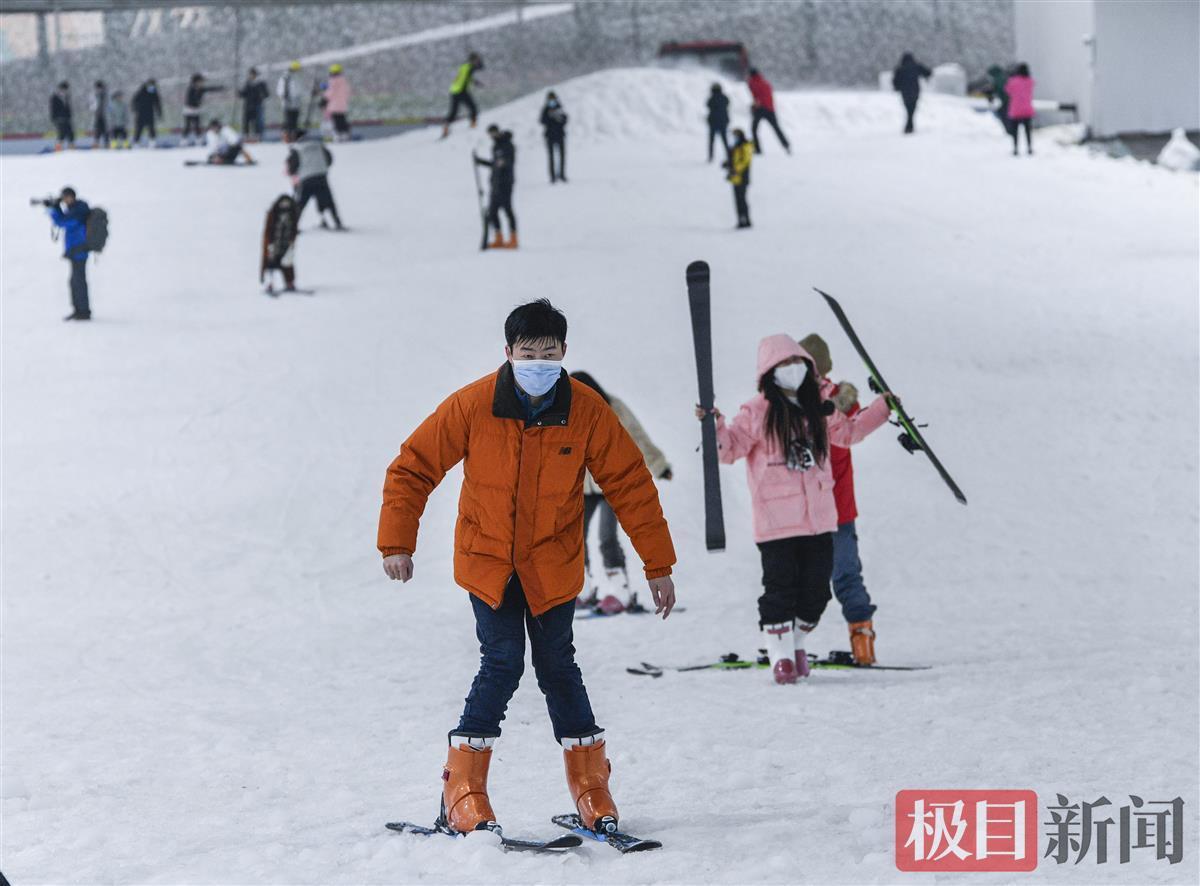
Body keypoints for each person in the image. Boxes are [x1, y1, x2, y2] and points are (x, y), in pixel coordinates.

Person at [377, 298, 677, 837]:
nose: (539, 360)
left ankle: (591, 788)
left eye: (549, 350)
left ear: (564, 351)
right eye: (528, 351)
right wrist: (397, 541)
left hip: (552, 564)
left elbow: (630, 484)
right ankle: (461, 790)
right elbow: (412, 467)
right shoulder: (472, 406)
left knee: (559, 665)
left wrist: (657, 564)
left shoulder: (586, 409)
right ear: (509, 352)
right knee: (504, 661)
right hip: (488, 562)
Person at [703, 334, 893, 684]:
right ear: (769, 372)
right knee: (780, 590)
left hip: (819, 520)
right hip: (776, 523)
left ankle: (796, 643)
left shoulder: (819, 408)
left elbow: (849, 433)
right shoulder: (757, 411)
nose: (792, 370)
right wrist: (713, 425)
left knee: (817, 592)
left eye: (797, 363)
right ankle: (781, 657)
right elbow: (728, 450)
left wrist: (883, 408)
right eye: (784, 365)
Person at [799, 334, 881, 665]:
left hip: (837, 510)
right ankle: (788, 643)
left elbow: (856, 427)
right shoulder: (791, 402)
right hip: (803, 508)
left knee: (845, 573)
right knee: (801, 578)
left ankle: (863, 642)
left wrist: (882, 405)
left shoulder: (839, 402)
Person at [570, 371, 671, 612]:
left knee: (606, 538)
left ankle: (620, 592)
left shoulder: (613, 406)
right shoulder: (568, 411)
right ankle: (581, 590)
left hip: (611, 485)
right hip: (582, 487)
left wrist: (659, 465)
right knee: (575, 538)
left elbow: (636, 435)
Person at [44, 187, 92, 321]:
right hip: (75, 251)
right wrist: (56, 207)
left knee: (78, 282)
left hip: (79, 251)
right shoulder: (76, 209)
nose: (64, 201)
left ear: (71, 196)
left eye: (65, 197)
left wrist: (52, 210)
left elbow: (62, 222)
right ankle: (79, 310)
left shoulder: (79, 211)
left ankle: (83, 312)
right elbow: (64, 218)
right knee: (74, 282)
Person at [286, 130, 343, 229]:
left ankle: (292, 226)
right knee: (328, 200)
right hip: (321, 176)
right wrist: (321, 167)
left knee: (300, 204)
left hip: (306, 179)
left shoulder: (297, 148)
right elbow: (329, 158)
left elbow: (292, 165)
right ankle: (336, 222)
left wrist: (294, 173)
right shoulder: (319, 144)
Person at [475, 124, 517, 249]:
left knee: (507, 209)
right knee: (493, 212)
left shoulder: (508, 145)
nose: (492, 136)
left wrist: (503, 163)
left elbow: (508, 162)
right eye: (490, 135)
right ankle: (499, 238)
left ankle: (514, 238)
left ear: (498, 132)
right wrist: (480, 161)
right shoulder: (495, 146)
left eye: (493, 133)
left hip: (506, 182)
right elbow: (494, 164)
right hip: (495, 182)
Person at [261, 194, 299, 295]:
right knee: (270, 265)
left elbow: (294, 230)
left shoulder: (292, 214)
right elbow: (268, 231)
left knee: (287, 265)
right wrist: (269, 245)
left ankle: (289, 283)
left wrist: (291, 244)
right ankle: (270, 284)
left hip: (286, 245)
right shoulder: (273, 214)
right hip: (274, 244)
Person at [747, 68, 789, 155]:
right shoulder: (765, 82)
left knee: (754, 129)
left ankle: (758, 149)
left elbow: (756, 95)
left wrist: (755, 105)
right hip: (770, 109)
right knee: (776, 128)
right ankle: (786, 145)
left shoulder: (753, 83)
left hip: (760, 108)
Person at [441, 51, 483, 138]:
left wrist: (476, 83)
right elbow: (480, 67)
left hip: (454, 91)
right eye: (476, 60)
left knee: (454, 112)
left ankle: (446, 127)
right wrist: (479, 63)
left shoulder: (465, 66)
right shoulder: (469, 67)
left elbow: (467, 77)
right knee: (473, 107)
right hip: (461, 91)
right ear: (473, 60)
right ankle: (473, 125)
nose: (477, 62)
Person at [892, 52, 932, 135]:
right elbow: (928, 73)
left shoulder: (900, 68)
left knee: (908, 109)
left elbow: (895, 81)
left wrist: (897, 87)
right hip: (915, 91)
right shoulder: (916, 66)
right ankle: (909, 126)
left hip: (905, 92)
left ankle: (909, 126)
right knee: (912, 109)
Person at [182, 74, 222, 146]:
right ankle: (184, 140)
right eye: (200, 81)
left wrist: (220, 88)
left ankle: (198, 139)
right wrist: (197, 101)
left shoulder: (201, 89)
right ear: (196, 82)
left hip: (196, 110)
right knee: (188, 125)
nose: (202, 83)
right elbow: (190, 99)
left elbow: (210, 89)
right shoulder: (191, 89)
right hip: (189, 110)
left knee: (197, 124)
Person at [724, 128, 753, 229]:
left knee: (742, 199)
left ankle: (746, 220)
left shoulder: (745, 146)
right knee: (738, 200)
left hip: (742, 177)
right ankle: (741, 219)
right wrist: (728, 164)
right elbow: (734, 160)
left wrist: (735, 169)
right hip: (735, 178)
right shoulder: (735, 147)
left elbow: (744, 161)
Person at [1005, 63, 1035, 156]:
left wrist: (1012, 77)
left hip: (1016, 110)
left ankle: (1015, 149)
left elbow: (1007, 90)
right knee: (1028, 131)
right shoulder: (1030, 81)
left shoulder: (1013, 81)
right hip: (1027, 110)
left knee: (1015, 131)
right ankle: (1029, 148)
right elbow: (1033, 84)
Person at [539, 91, 567, 183]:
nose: (552, 101)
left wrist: (558, 117)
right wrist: (549, 116)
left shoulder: (559, 107)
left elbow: (565, 120)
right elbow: (542, 121)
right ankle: (552, 177)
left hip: (560, 135)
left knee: (562, 156)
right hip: (550, 136)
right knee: (551, 157)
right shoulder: (546, 109)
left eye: (553, 99)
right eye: (550, 99)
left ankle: (562, 175)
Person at [238, 67, 270, 142]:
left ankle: (258, 136)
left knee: (257, 122)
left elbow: (266, 94)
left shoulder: (261, 83)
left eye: (253, 74)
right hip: (248, 106)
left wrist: (262, 94)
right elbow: (244, 94)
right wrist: (240, 93)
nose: (251, 76)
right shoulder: (248, 83)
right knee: (246, 121)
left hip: (257, 106)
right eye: (250, 74)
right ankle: (246, 136)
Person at [323, 64, 351, 142]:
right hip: (342, 105)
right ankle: (345, 133)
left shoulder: (332, 81)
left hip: (334, 105)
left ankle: (339, 135)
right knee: (342, 119)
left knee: (336, 120)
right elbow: (347, 93)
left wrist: (324, 99)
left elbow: (330, 92)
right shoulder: (344, 81)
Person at [131, 78, 162, 146]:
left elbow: (157, 103)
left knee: (151, 128)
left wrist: (159, 112)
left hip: (150, 113)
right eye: (151, 85)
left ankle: (152, 142)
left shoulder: (154, 92)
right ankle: (136, 143)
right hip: (141, 113)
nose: (152, 87)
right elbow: (134, 101)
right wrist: (135, 109)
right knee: (139, 129)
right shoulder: (141, 91)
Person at [278, 61, 303, 135]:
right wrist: (284, 97)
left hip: (295, 102)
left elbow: (298, 89)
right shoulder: (286, 78)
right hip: (288, 102)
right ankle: (288, 134)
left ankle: (292, 134)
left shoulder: (295, 77)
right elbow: (281, 90)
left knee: (293, 119)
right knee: (289, 120)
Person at [706, 82, 730, 163]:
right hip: (723, 121)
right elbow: (727, 104)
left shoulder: (711, 99)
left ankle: (710, 156)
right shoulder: (725, 98)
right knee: (725, 139)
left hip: (713, 122)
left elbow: (708, 105)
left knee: (711, 140)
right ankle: (728, 155)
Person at [987, 64, 1012, 135]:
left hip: (1007, 100)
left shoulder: (998, 79)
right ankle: (1010, 129)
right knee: (1004, 113)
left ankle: (1009, 129)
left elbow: (998, 89)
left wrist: (991, 96)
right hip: (1009, 100)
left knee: (1003, 113)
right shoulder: (1003, 76)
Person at [49, 82, 74, 150]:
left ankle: (71, 147)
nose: (65, 91)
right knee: (61, 133)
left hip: (66, 118)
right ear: (60, 89)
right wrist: (54, 118)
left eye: (66, 90)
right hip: (58, 118)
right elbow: (52, 108)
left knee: (70, 133)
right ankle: (58, 147)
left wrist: (69, 116)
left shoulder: (67, 96)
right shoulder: (55, 97)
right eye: (64, 89)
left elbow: (68, 108)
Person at [90, 80, 108, 148]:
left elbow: (107, 105)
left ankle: (106, 144)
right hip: (97, 116)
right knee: (97, 131)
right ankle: (96, 144)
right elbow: (92, 106)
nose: (99, 89)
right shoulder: (94, 95)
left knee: (106, 130)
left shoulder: (105, 95)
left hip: (104, 116)